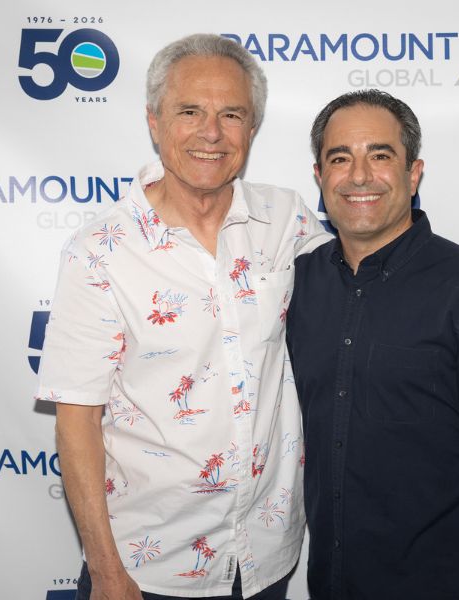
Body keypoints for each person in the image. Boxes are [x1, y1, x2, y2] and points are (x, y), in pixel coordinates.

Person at [36, 34, 329, 600]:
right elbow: (76, 421)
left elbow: (359, 323)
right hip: (148, 568)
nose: (211, 133)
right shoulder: (100, 250)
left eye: (232, 114)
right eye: (189, 111)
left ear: (254, 128)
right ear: (154, 120)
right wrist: (106, 571)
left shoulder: (288, 220)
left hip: (265, 559)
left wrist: (439, 426)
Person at [286, 89, 459, 600]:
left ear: (413, 173)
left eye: (380, 155)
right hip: (330, 582)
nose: (359, 175)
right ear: (320, 179)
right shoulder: (298, 284)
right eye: (340, 158)